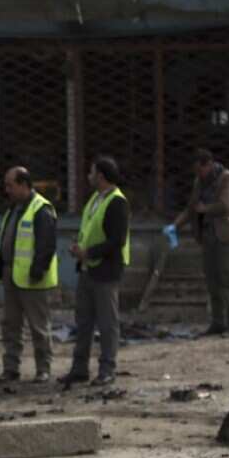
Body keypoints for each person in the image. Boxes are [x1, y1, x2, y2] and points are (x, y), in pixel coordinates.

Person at [61, 156, 130, 388]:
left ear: (100, 176)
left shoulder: (117, 202)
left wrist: (88, 252)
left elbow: (116, 241)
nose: (88, 176)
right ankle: (79, 368)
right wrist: (79, 250)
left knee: (107, 323)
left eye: (91, 172)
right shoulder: (95, 200)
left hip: (105, 271)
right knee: (84, 322)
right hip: (88, 269)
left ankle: (107, 369)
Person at [166, 149, 229, 337]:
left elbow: (225, 205)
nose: (198, 174)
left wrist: (205, 208)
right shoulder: (199, 182)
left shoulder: (226, 177)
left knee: (227, 280)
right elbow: (191, 208)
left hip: (225, 236)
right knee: (212, 281)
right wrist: (174, 226)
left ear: (208, 164)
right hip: (207, 237)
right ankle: (218, 323)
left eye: (200, 170)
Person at [0, 167, 58, 384]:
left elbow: (47, 245)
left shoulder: (41, 209)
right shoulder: (14, 209)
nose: (7, 190)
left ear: (23, 184)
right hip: (13, 276)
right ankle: (11, 368)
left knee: (38, 327)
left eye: (10, 185)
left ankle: (43, 369)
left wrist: (37, 271)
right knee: (11, 325)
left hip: (33, 280)